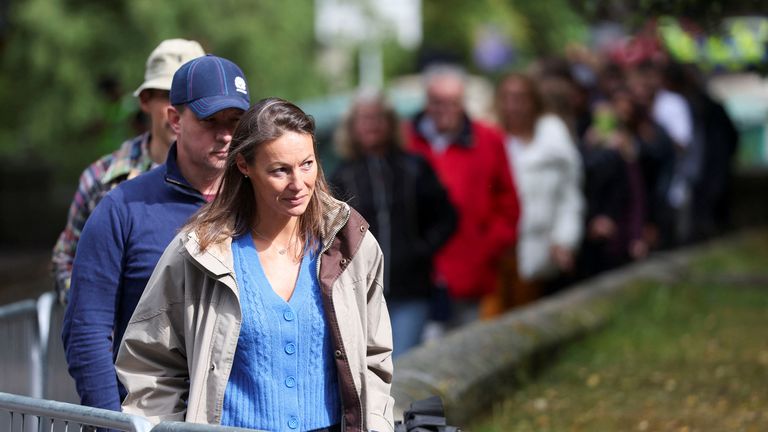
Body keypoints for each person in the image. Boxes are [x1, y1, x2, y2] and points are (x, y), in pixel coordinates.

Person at [115, 98, 394, 432]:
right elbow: (149, 365)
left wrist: (377, 425)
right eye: (280, 170)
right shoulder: (199, 252)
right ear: (244, 166)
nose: (298, 183)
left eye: (307, 164)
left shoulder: (349, 243)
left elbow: (375, 357)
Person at [62, 54, 250, 413]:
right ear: (175, 120)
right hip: (150, 416)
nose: (225, 135)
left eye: (236, 121)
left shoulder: (265, 204)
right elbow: (86, 329)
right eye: (210, 120)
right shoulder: (121, 208)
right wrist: (112, 422)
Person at [51, 38, 205, 303]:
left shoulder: (231, 178)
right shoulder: (102, 178)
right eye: (169, 96)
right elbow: (66, 260)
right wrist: (95, 318)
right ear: (145, 101)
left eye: (193, 97)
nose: (181, 110)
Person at [330, 90, 457, 357]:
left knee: (403, 362)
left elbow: (447, 217)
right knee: (369, 369)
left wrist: (421, 250)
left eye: (379, 118)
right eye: (365, 119)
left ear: (390, 123)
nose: (372, 125)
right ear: (352, 127)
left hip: (410, 290)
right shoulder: (341, 176)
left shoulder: (415, 167)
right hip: (362, 295)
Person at [405, 64, 520, 326]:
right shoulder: (405, 140)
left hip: (472, 274)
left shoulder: (489, 140)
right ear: (426, 102)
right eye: (437, 102)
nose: (445, 110)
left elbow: (509, 203)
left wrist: (487, 247)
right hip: (416, 277)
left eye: (452, 102)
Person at [485, 72, 584, 315]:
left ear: (534, 101)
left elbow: (569, 197)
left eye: (520, 98)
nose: (513, 106)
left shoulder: (553, 141)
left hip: (539, 249)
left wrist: (565, 239)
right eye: (507, 98)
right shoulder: (487, 139)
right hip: (495, 253)